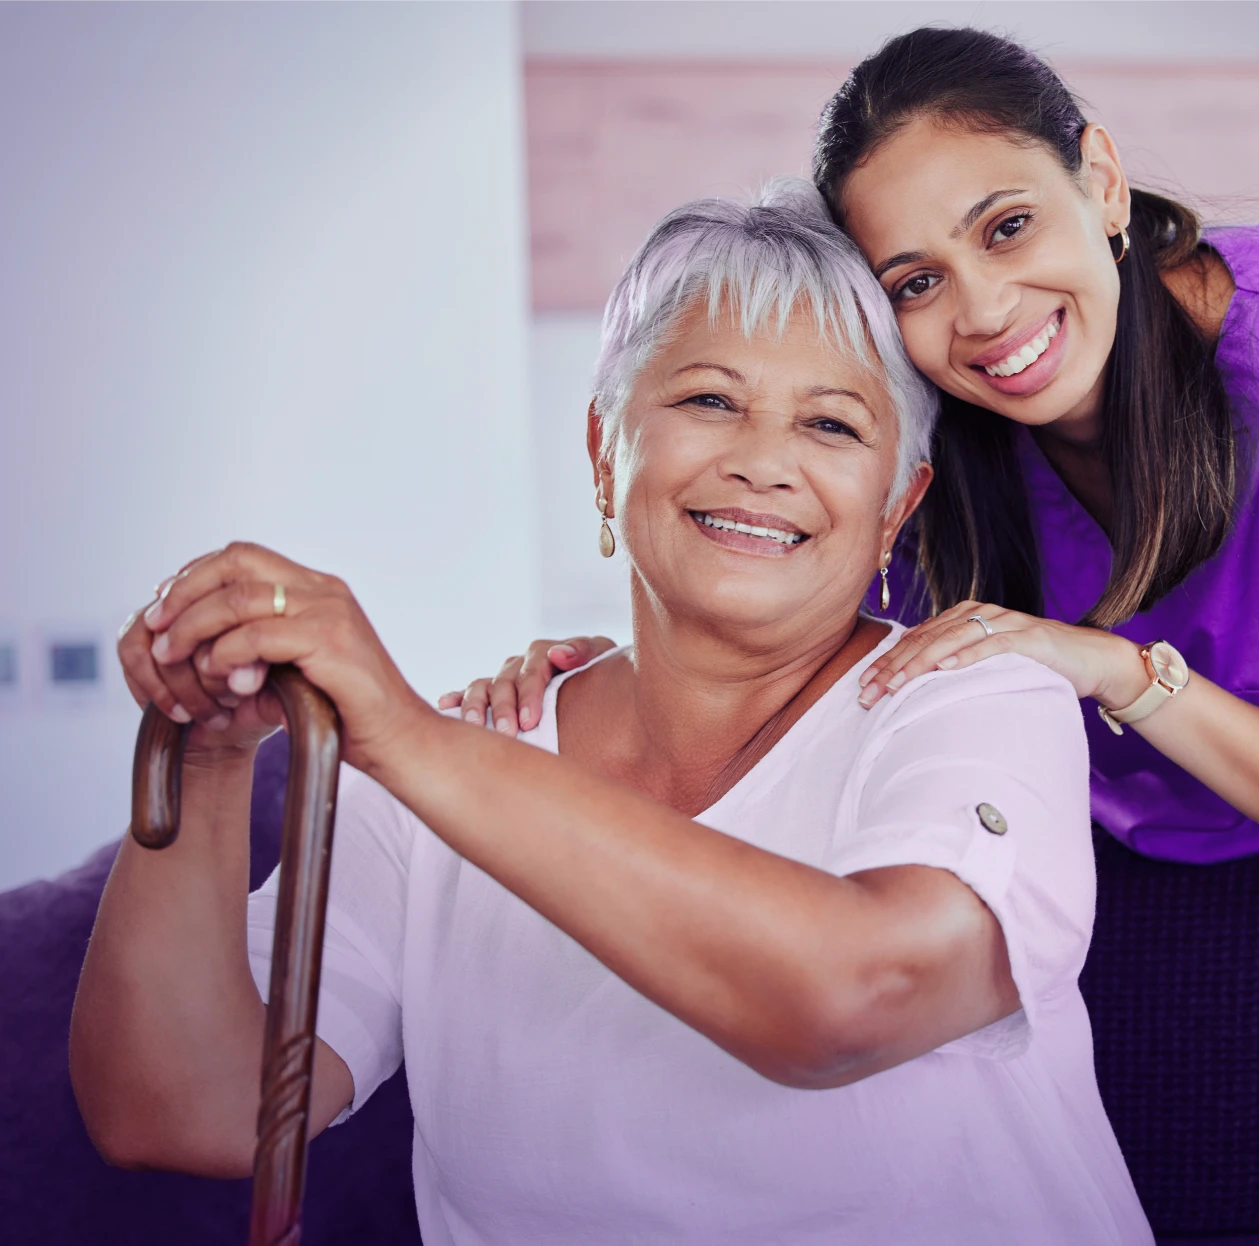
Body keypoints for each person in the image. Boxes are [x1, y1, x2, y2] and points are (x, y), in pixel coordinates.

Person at [71, 182, 1152, 1245]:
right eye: (707, 401)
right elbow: (184, 1112)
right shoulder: (451, 764)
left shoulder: (974, 697)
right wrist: (203, 764)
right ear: (604, 454)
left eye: (830, 423)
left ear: (894, 507)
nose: (762, 461)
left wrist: (411, 738)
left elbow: (854, 996)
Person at [461, 27, 1259, 877]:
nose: (982, 312)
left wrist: (1117, 669)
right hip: (1177, 827)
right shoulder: (925, 431)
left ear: (1103, 182)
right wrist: (596, 695)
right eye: (915, 281)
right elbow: (800, 652)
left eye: (1008, 225)